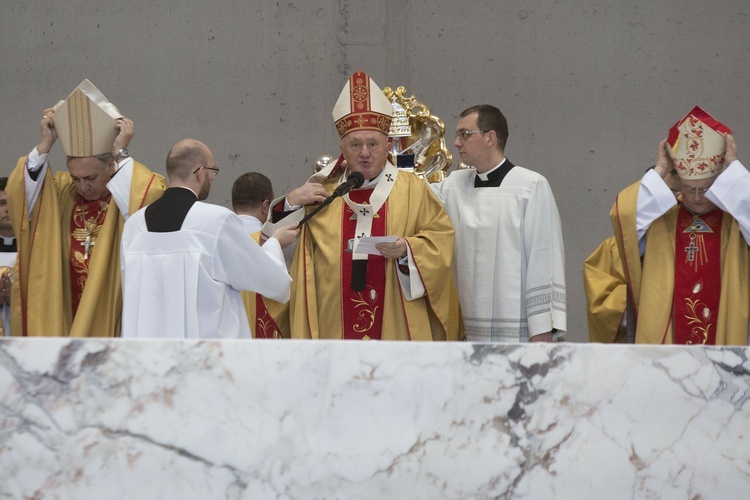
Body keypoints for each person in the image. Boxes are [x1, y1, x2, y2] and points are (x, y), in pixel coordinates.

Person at [276, 70, 460, 341]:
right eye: (355, 144)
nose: (364, 152)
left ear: (388, 145)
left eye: (373, 143)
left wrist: (407, 250)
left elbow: (441, 241)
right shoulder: (322, 193)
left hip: (395, 322)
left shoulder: (413, 189)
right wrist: (291, 202)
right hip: (332, 327)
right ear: (342, 147)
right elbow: (270, 239)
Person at [7, 80, 167, 337]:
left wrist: (120, 151)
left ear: (111, 167)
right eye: (76, 178)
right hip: (64, 307)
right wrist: (45, 145)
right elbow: (21, 195)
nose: (83, 187)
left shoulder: (125, 191)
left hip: (113, 307)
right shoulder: (61, 193)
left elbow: (150, 198)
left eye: (90, 178)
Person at [120, 139, 297, 339]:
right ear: (200, 172)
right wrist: (274, 243)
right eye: (213, 171)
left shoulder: (133, 226)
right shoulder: (216, 221)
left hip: (147, 357)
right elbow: (271, 281)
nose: (212, 178)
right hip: (205, 360)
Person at [611, 106, 750, 345]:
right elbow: (623, 215)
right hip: (668, 338)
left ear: (721, 180)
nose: (697, 197)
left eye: (705, 188)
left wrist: (734, 166)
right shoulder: (663, 218)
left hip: (724, 331)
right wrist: (661, 170)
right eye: (689, 188)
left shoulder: (734, 219)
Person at [429, 104, 566, 342]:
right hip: (466, 334)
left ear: (490, 137)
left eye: (465, 134)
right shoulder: (453, 185)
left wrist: (541, 335)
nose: (456, 142)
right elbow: (411, 199)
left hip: (518, 333)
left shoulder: (530, 186)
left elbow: (544, 259)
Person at [584, 168, 680, 343]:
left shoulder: (692, 245)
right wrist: (654, 296)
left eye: (674, 195)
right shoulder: (611, 249)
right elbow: (600, 307)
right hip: (631, 351)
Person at [231, 171, 290, 338]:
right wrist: (276, 244)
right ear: (266, 206)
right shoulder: (270, 242)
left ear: (233, 205)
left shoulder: (217, 240)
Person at [0, 177, 16, 336]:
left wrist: (18, 303)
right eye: (2, 203)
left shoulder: (40, 254)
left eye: (13, 202)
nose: (8, 209)